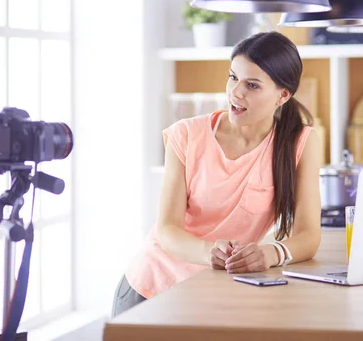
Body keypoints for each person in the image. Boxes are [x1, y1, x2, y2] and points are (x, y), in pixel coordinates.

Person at [111, 31, 322, 317]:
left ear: (282, 95)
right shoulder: (186, 135)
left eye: (252, 85)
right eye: (233, 77)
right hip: (152, 292)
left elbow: (309, 235)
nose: (236, 92)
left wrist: (271, 253)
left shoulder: (300, 142)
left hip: (214, 295)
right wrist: (208, 251)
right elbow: (167, 230)